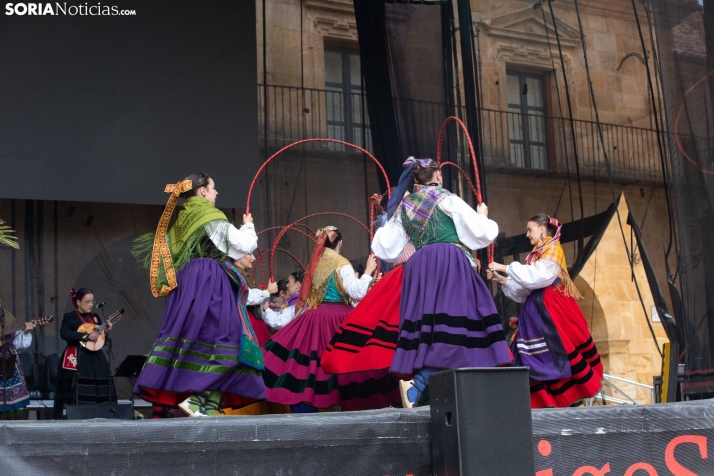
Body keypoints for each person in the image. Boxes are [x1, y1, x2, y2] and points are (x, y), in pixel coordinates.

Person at [370, 157, 511, 408]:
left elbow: (384, 247)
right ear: (438, 176)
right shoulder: (448, 199)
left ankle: (426, 380)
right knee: (462, 314)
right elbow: (482, 233)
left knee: (429, 323)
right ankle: (427, 380)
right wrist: (483, 217)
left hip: (419, 266)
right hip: (448, 261)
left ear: (415, 179)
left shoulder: (405, 207)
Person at [132, 173, 272, 416]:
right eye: (213, 188)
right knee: (229, 340)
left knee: (203, 340)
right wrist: (248, 225)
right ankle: (198, 400)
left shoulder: (183, 218)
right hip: (209, 279)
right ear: (203, 191)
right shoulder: (208, 216)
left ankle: (204, 403)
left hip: (188, 281)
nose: (216, 193)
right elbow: (243, 245)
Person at [262, 227, 401, 412]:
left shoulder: (315, 264)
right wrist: (368, 271)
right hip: (338, 317)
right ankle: (349, 409)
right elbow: (357, 292)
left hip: (314, 318)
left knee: (310, 367)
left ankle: (308, 409)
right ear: (340, 243)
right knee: (348, 362)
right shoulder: (341, 263)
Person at [487, 213, 603, 408]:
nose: (527, 234)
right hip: (540, 310)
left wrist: (505, 267)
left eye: (529, 229)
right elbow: (528, 289)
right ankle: (548, 401)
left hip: (551, 311)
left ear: (542, 230)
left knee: (556, 350)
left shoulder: (552, 248)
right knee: (538, 355)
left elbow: (537, 278)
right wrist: (503, 280)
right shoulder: (540, 253)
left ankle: (565, 399)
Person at [53, 288, 116, 419]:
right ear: (78, 302)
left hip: (95, 358)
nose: (90, 305)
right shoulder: (70, 317)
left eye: (92, 302)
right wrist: (86, 336)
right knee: (77, 389)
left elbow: (100, 342)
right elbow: (64, 333)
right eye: (86, 302)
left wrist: (105, 332)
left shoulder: (96, 318)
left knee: (100, 388)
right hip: (77, 356)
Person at [0, 306, 35, 420]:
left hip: (7, 361)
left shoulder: (8, 318)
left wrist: (25, 331)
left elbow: (18, 344)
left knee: (14, 402)